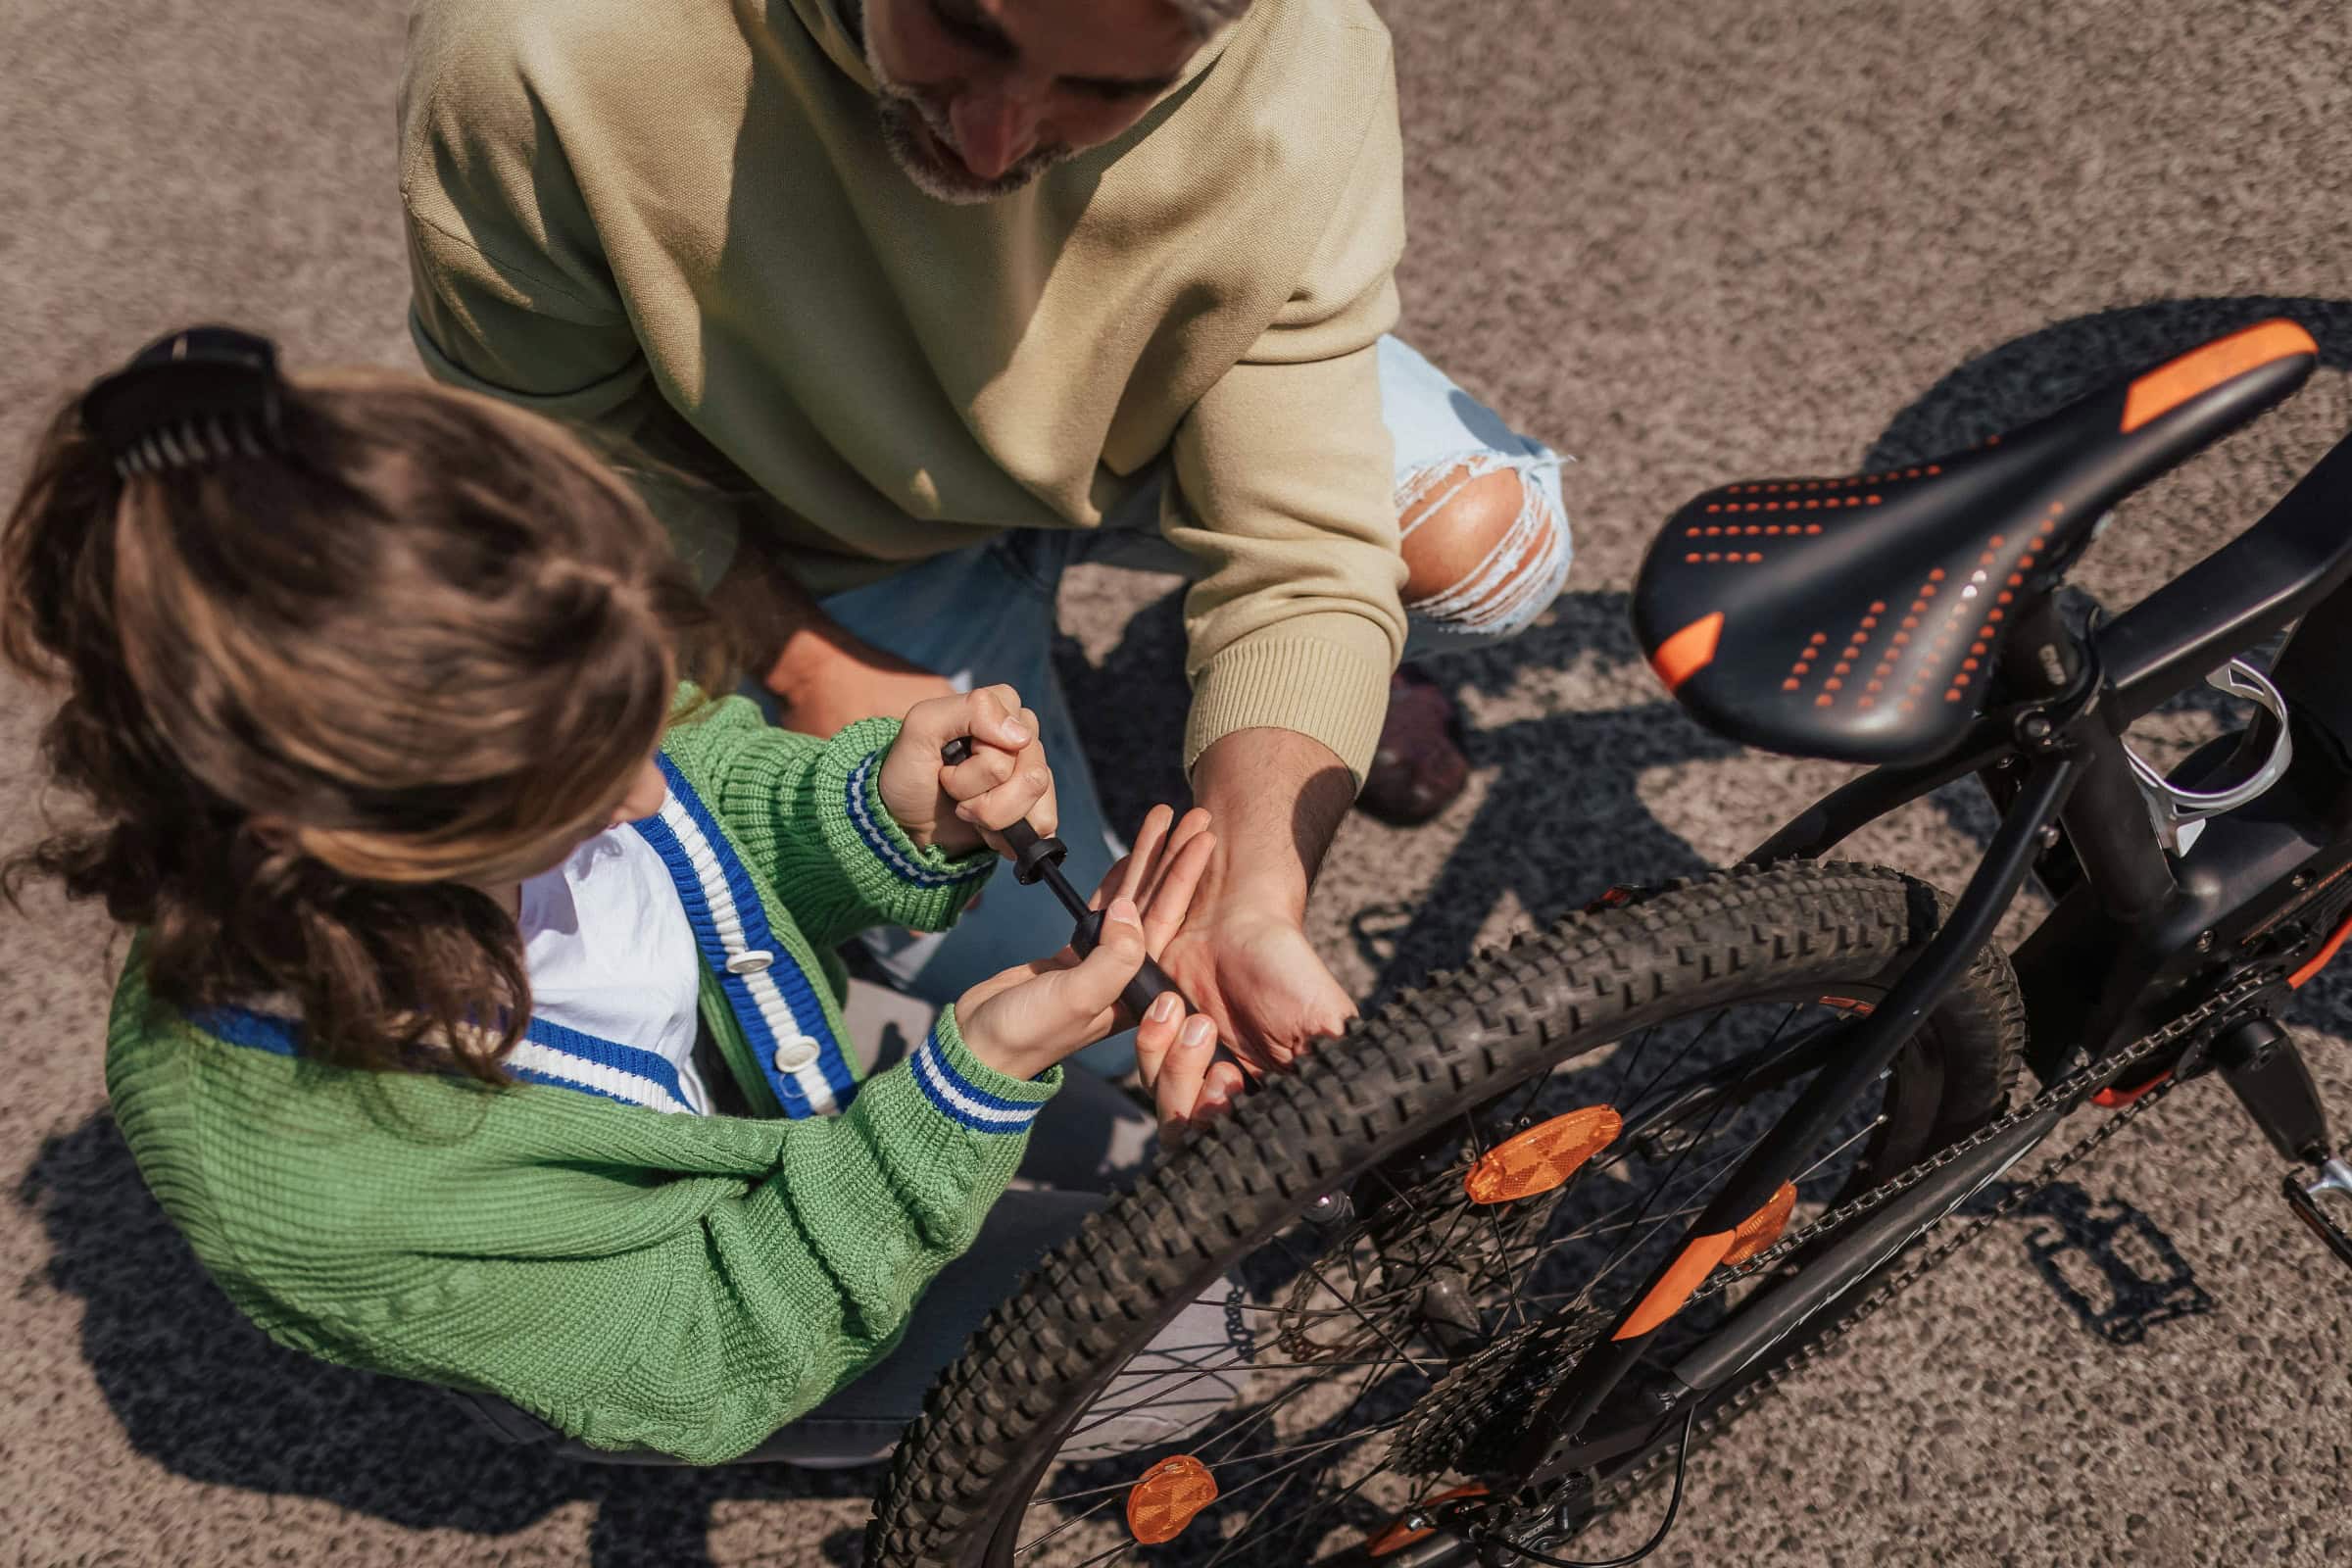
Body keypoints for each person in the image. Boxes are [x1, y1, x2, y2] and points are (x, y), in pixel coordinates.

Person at [0, 326, 1248, 1465]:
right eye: (576, 792)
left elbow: (708, 787)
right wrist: (957, 1093)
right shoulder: (302, 1176)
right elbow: (696, 1352)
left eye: (643, 706)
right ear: (344, 835)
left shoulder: (512, 704)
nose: (649, 800)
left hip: (767, 1077)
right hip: (723, 1312)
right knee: (1210, 1334)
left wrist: (874, 809)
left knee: (1097, 1134)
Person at [399, 0, 1574, 1071]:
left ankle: (1247, 687)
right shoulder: (544, 45)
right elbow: (547, 450)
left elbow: (1302, 539)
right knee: (1098, 1029)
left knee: (1492, 541)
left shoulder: (1306, 56)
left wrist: (1255, 882)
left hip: (1133, 424)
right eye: (962, 29)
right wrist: (808, 664)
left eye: (1105, 94)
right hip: (796, 535)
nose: (993, 141)